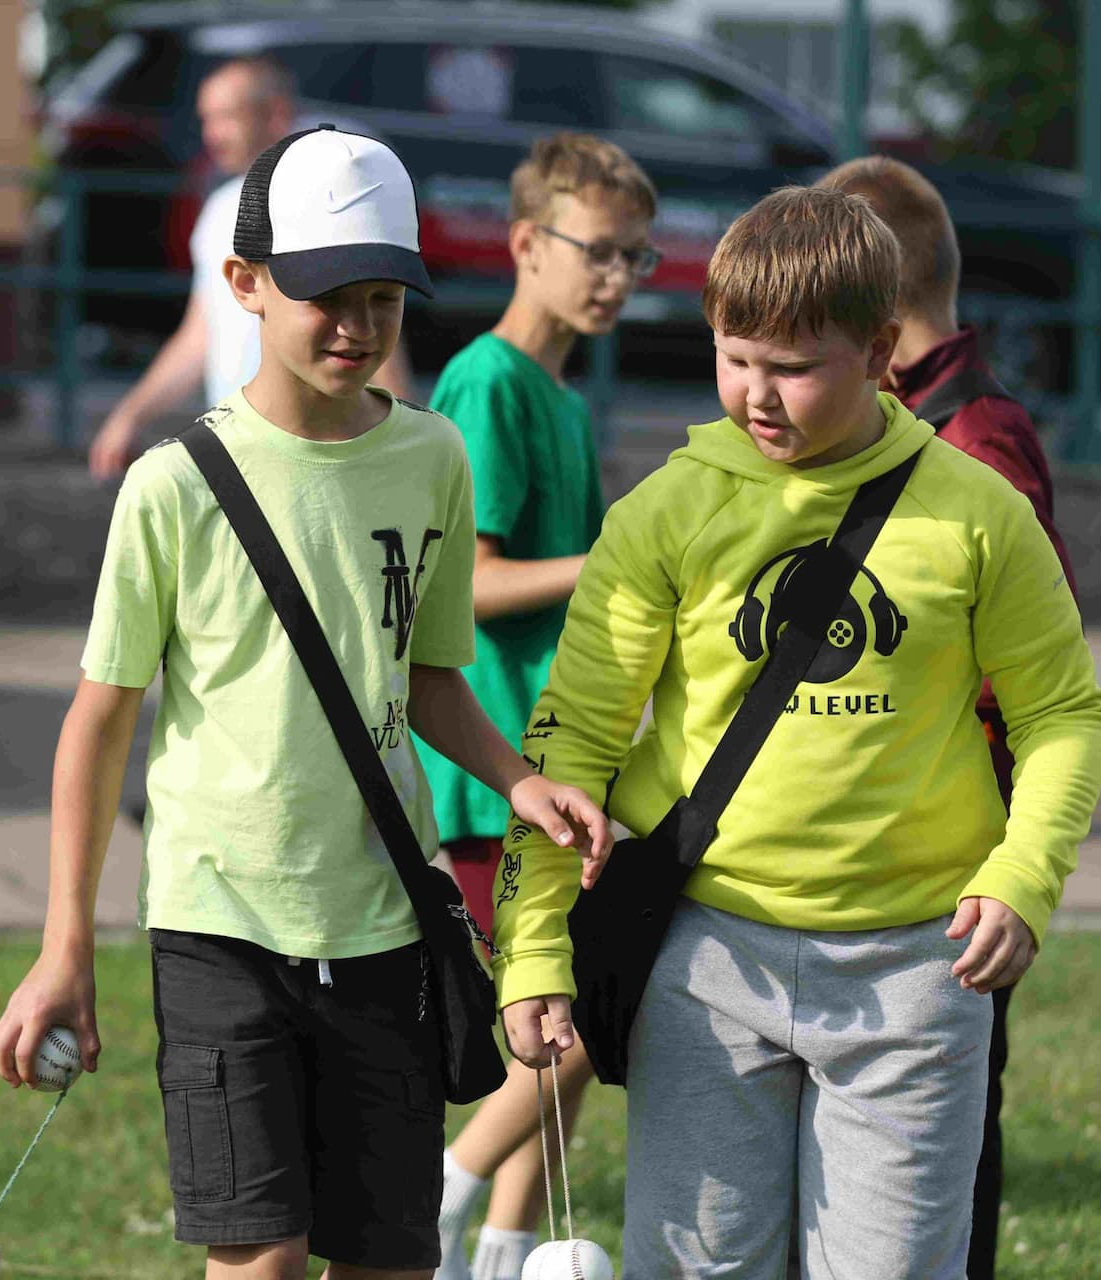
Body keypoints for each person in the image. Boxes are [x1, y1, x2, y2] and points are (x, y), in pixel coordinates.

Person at [0, 125, 611, 1280]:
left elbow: (427, 677)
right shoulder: (171, 485)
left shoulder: (433, 457)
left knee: (391, 1260)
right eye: (326, 294)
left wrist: (518, 780)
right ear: (245, 283)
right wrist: (63, 944)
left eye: (383, 297)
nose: (356, 325)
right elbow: (99, 719)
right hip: (220, 919)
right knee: (260, 1257)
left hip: (387, 915)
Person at [492, 186, 1101, 1278]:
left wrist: (1025, 876)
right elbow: (571, 745)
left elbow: (1062, 712)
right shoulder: (664, 513)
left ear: (879, 350)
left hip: (916, 973)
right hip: (704, 959)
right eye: (734, 359)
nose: (757, 395)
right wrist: (534, 946)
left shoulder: (978, 513)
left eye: (792, 367)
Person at [820, 153, 1081, 1280]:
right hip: (907, 851)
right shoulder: (920, 417)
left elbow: (1029, 680)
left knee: (941, 1169)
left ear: (872, 302)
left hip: (952, 869)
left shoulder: (973, 441)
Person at [413, 134, 658, 1280]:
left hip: (567, 758)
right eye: (597, 250)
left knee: (563, 1015)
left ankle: (506, 1250)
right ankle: (446, 1195)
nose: (617, 275)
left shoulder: (558, 398)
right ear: (525, 244)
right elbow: (468, 585)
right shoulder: (487, 383)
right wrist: (617, 557)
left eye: (634, 256)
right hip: (499, 766)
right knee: (586, 1001)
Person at [87, 55, 414, 480]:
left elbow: (368, 329)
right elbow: (199, 337)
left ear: (275, 113)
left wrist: (407, 446)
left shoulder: (330, 201)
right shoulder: (221, 209)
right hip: (240, 455)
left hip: (321, 456)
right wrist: (131, 414)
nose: (211, 134)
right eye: (206, 119)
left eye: (226, 117)